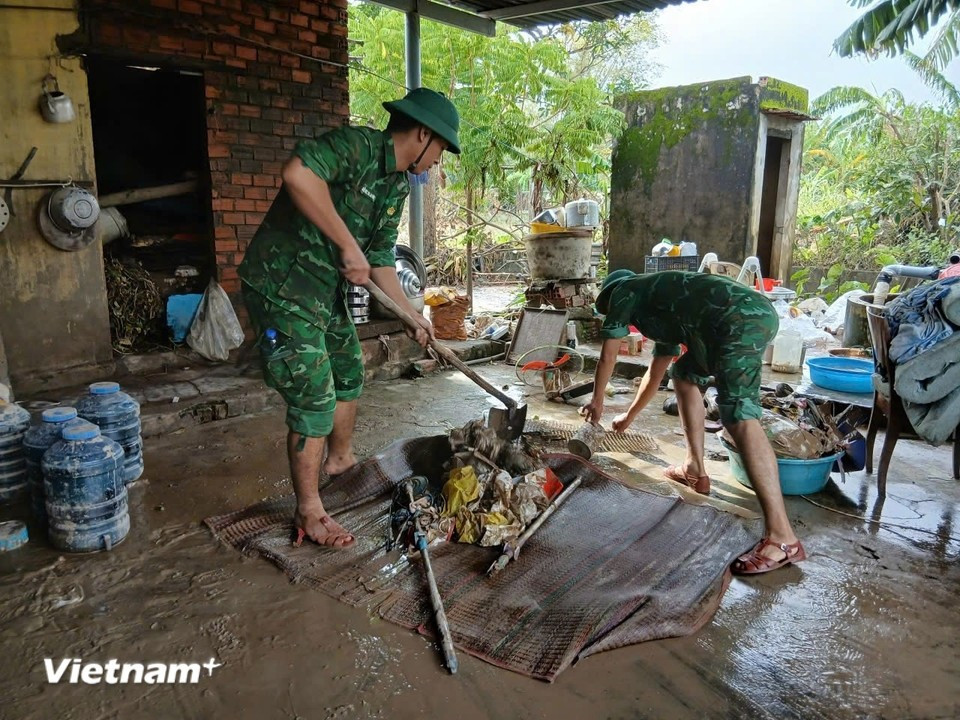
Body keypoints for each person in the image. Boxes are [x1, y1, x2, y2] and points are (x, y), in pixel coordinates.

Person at [238, 88, 460, 549]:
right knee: (315, 393)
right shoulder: (356, 147)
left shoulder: (396, 185)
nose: (438, 161)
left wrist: (411, 316)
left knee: (349, 369)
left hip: (323, 293)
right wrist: (345, 243)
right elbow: (298, 174)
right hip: (282, 287)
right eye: (440, 148)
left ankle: (339, 462)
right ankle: (309, 509)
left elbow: (379, 257)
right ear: (422, 134)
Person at [580, 269, 805, 574]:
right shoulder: (658, 305)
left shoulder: (623, 291)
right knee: (684, 376)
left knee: (738, 415)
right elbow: (657, 372)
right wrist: (629, 416)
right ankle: (694, 469)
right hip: (729, 320)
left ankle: (783, 539)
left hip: (738, 319)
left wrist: (597, 401)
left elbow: (608, 357)